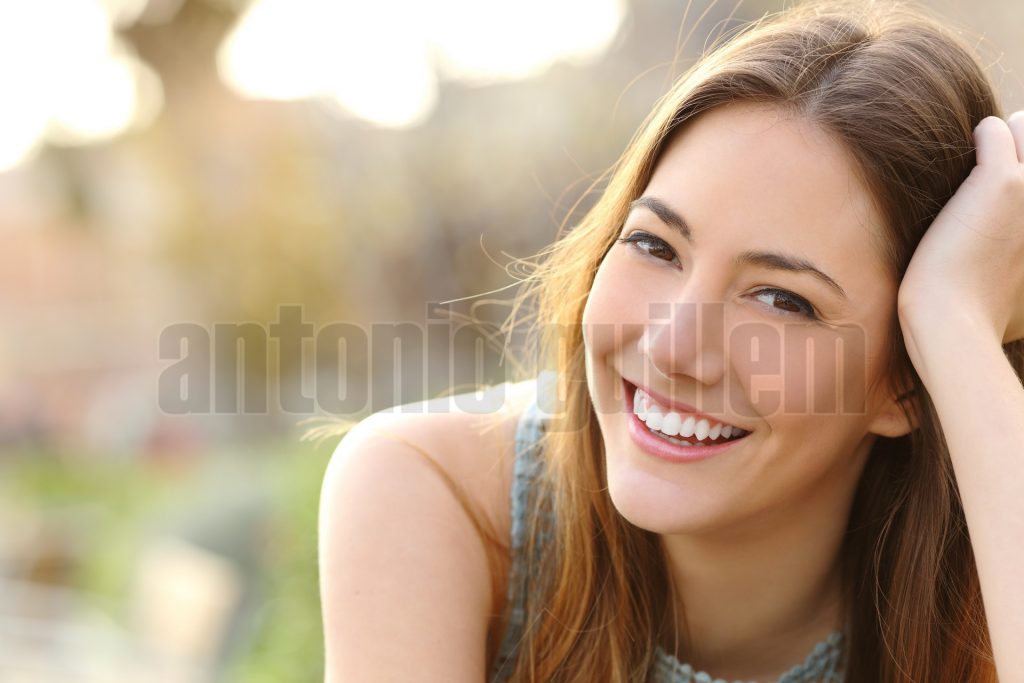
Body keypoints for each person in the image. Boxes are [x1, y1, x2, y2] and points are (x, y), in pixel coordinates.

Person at [318, 1, 1024, 681]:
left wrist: (959, 329)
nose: (670, 347)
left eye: (782, 300)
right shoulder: (435, 494)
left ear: (907, 381)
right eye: (655, 245)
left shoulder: (988, 574)